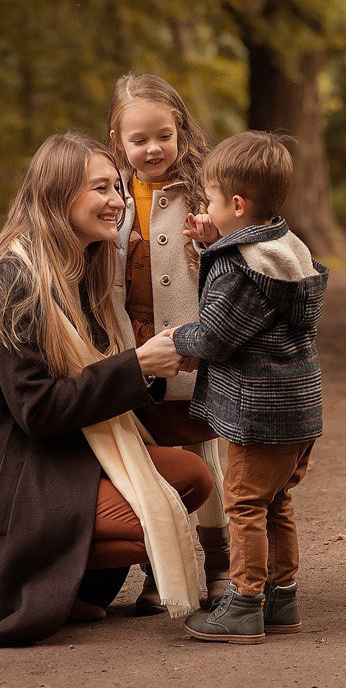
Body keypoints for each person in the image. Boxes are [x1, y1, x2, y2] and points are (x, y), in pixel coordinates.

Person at [0, 132, 212, 648]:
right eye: (100, 188)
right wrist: (137, 366)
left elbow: (88, 382)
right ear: (58, 194)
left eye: (117, 187)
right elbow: (38, 410)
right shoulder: (12, 277)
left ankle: (71, 587)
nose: (117, 200)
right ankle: (35, 582)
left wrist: (156, 366)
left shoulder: (79, 267)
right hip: (10, 479)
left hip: (57, 455)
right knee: (156, 521)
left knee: (193, 478)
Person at [170, 131, 329, 645]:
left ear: (237, 205)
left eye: (211, 200)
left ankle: (243, 603)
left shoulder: (238, 269)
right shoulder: (285, 248)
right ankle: (281, 598)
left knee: (243, 505)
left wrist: (176, 340)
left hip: (258, 415)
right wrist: (212, 241)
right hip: (298, 410)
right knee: (274, 500)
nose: (205, 208)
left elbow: (215, 336)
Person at [105, 72, 232, 609]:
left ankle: (221, 565)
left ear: (181, 130)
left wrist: (211, 239)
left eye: (164, 135)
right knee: (148, 461)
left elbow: (230, 258)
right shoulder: (110, 194)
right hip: (130, 349)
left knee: (203, 453)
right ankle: (160, 570)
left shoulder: (203, 192)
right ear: (118, 141)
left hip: (191, 349)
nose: (153, 148)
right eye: (139, 139)